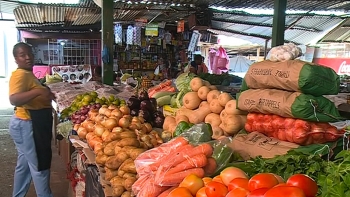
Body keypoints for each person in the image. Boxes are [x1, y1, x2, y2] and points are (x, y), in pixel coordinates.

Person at [8, 42, 55, 197]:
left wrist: (43, 92)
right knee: (39, 166)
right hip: (27, 124)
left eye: (30, 54)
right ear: (16, 59)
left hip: (24, 123)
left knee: (25, 166)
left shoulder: (27, 73)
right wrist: (38, 93)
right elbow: (14, 99)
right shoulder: (20, 74)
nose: (28, 58)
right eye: (23, 55)